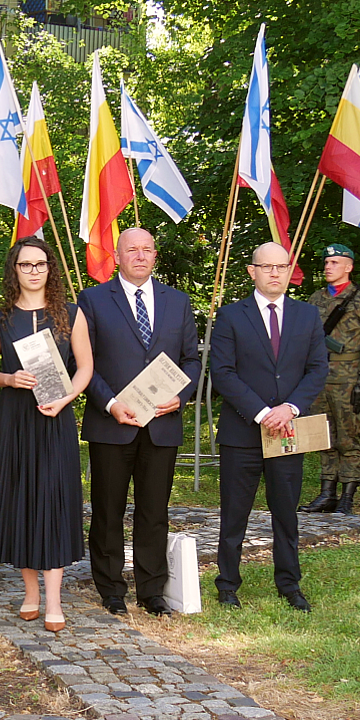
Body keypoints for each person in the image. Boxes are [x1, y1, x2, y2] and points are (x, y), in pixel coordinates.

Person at [76, 228, 201, 617]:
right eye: (132, 250)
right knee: (108, 509)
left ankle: (152, 591)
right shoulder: (92, 301)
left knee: (154, 511)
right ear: (117, 256)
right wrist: (109, 403)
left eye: (147, 250)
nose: (140, 256)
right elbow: (82, 363)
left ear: (155, 256)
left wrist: (181, 397)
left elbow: (192, 361)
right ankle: (111, 588)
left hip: (161, 424)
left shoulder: (178, 302)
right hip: (112, 423)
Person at [208, 241, 330, 611]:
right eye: (267, 267)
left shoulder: (307, 316)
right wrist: (263, 413)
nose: (275, 273)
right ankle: (228, 585)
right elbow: (223, 373)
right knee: (234, 515)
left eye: (281, 266)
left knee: (286, 513)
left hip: (288, 432)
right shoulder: (230, 316)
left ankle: (289, 584)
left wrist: (289, 408)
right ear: (252, 271)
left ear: (290, 271)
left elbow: (317, 369)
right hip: (242, 432)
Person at [0, 237, 91, 633]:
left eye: (40, 264)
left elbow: (85, 367)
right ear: (14, 270)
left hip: (54, 417)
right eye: (25, 265)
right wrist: (9, 379)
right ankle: (30, 593)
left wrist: (66, 400)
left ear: (50, 269)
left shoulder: (71, 313)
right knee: (21, 499)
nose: (33, 271)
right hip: (14, 418)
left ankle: (55, 600)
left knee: (54, 499)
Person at [301, 243, 360, 515]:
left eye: (335, 262)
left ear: (349, 267)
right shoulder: (316, 299)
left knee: (348, 439)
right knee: (323, 438)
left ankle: (347, 496)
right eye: (326, 262)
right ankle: (327, 493)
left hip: (348, 380)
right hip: (319, 379)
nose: (328, 267)